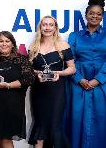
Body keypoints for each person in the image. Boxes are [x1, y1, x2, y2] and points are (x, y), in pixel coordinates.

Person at [66, 0, 106, 148]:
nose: (94, 16)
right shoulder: (74, 36)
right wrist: (79, 79)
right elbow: (69, 60)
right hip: (79, 83)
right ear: (86, 15)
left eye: (98, 14)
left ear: (102, 17)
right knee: (78, 119)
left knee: (105, 120)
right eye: (91, 13)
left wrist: (97, 79)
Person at [0, 31, 35, 148]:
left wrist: (8, 85)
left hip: (10, 107)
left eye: (7, 41)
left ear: (12, 44)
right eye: (1, 41)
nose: (4, 44)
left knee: (5, 139)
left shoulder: (21, 59)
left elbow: (29, 79)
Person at [28, 15, 75, 148]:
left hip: (57, 92)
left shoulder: (63, 45)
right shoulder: (33, 46)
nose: (47, 27)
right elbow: (29, 70)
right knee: (40, 124)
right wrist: (37, 74)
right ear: (40, 27)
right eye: (44, 25)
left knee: (55, 126)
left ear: (55, 28)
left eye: (50, 25)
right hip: (39, 92)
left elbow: (72, 69)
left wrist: (58, 73)